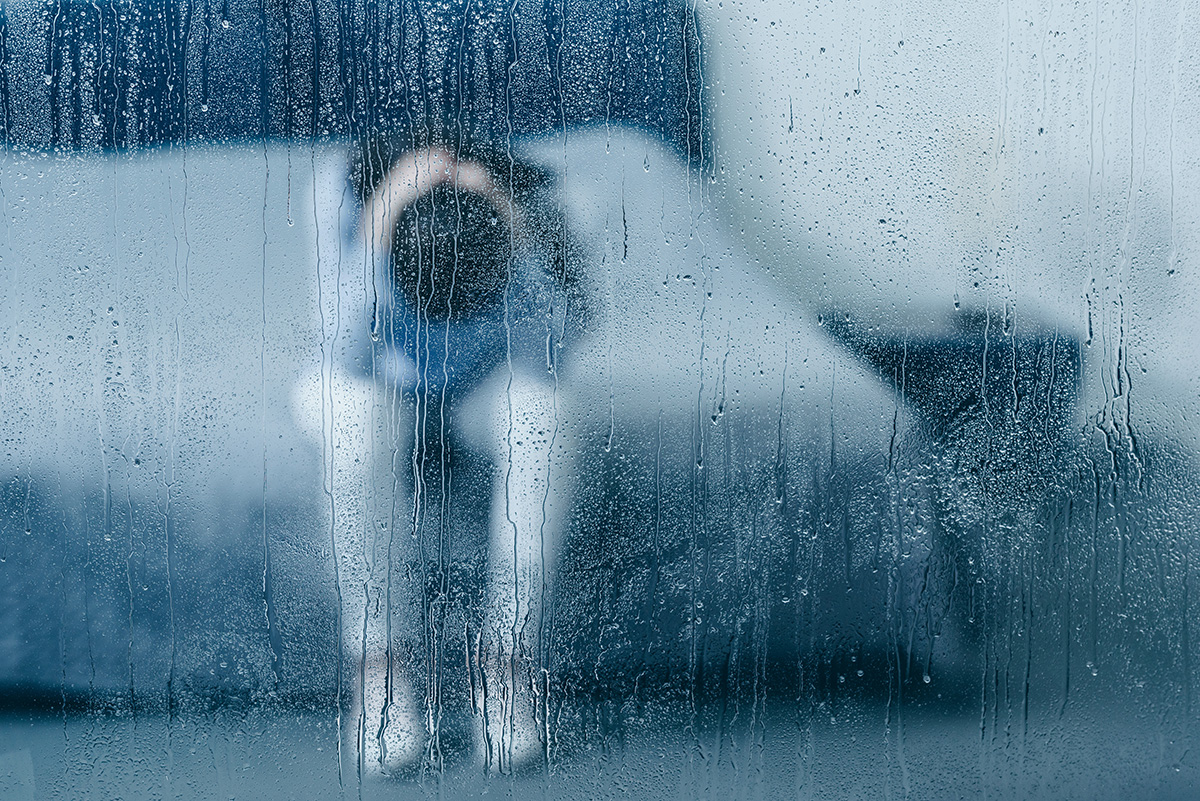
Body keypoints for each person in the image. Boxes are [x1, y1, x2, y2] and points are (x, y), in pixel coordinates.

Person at [299, 124, 949, 777]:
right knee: (346, 420)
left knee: (544, 415)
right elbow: (343, 351)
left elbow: (551, 352)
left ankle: (508, 660)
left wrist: (516, 233)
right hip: (378, 377)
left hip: (485, 378)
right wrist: (380, 228)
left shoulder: (545, 198)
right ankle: (379, 666)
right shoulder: (337, 187)